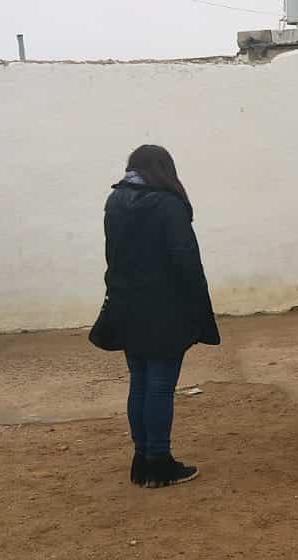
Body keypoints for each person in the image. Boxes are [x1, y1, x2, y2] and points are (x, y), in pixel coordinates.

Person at [88, 145, 220, 487]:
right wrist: (198, 306)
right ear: (165, 169)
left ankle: (142, 460)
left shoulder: (115, 202)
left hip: (127, 306)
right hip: (164, 308)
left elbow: (112, 256)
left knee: (140, 381)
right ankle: (159, 462)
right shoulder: (169, 204)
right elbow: (186, 259)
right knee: (160, 385)